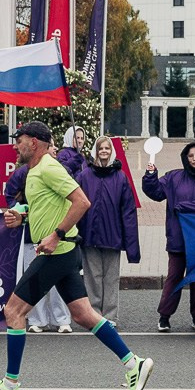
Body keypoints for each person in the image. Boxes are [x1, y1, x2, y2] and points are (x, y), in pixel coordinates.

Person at [0, 121, 153, 390]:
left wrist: (56, 235)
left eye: (19, 140)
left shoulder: (49, 167)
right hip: (65, 253)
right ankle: (134, 364)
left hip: (56, 253)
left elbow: (81, 201)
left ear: (34, 142)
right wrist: (24, 217)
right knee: (82, 314)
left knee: (13, 311)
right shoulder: (34, 172)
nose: (15, 145)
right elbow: (47, 206)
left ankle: (9, 385)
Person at [143, 141, 195, 332]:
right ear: (185, 158)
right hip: (178, 237)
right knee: (174, 277)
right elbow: (155, 192)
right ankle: (164, 316)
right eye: (190, 156)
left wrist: (185, 206)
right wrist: (150, 175)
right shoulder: (173, 177)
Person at [75, 135, 141, 328]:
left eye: (107, 148)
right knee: (92, 277)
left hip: (113, 236)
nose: (104, 151)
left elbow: (128, 212)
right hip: (89, 235)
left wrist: (131, 245)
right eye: (101, 148)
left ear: (112, 151)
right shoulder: (84, 176)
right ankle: (94, 315)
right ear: (96, 151)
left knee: (111, 277)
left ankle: (111, 315)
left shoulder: (120, 178)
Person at [5, 155, 73, 334]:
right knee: (34, 281)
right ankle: (38, 319)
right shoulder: (23, 173)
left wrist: (59, 231)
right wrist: (21, 211)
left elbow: (74, 199)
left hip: (55, 238)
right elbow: (11, 195)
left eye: (53, 147)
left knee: (59, 283)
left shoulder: (57, 170)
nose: (52, 150)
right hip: (31, 237)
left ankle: (62, 319)